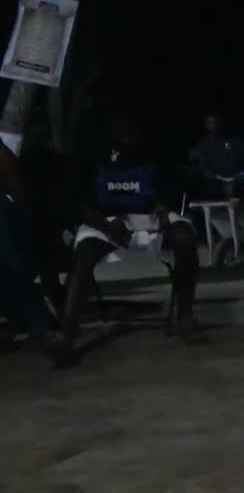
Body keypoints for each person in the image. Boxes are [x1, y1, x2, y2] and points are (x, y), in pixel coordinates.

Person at [47, 114, 205, 367]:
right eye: (121, 129)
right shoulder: (91, 156)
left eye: (131, 128)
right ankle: (66, 334)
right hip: (106, 220)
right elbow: (80, 202)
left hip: (146, 217)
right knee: (85, 255)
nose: (126, 134)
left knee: (185, 239)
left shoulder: (151, 153)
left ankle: (186, 315)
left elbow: (167, 189)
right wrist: (106, 225)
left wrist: (163, 209)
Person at [0, 139, 54, 349]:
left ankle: (38, 326)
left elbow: (18, 194)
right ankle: (25, 322)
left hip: (12, 233)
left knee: (10, 266)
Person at [190, 112, 241, 200]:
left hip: (228, 176)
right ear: (206, 125)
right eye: (210, 122)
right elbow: (204, 167)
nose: (213, 125)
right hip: (213, 178)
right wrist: (216, 176)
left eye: (215, 122)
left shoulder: (226, 141)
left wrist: (230, 175)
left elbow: (232, 159)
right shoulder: (202, 144)